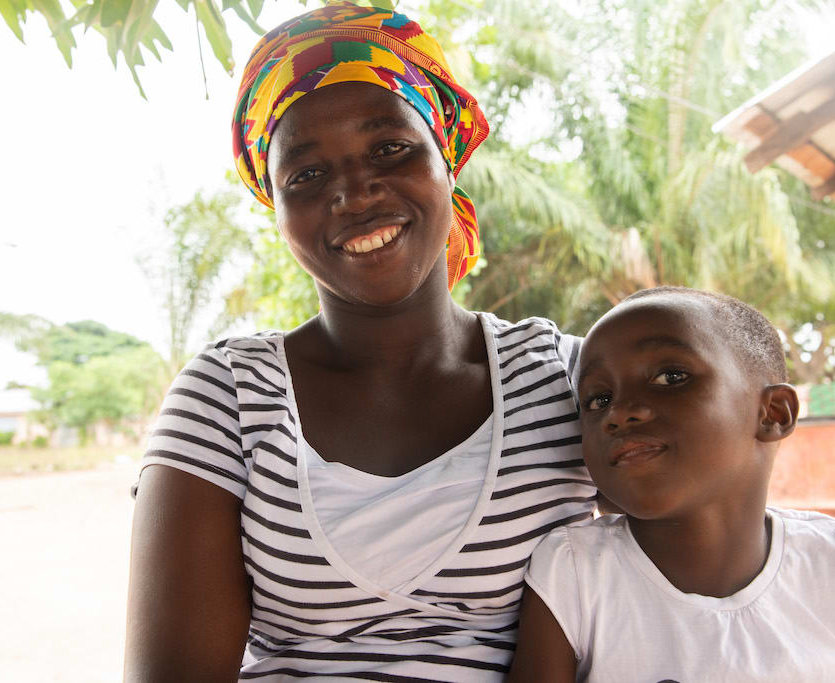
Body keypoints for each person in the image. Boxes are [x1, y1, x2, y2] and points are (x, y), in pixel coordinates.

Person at [123, 3, 597, 680]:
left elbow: (693, 583)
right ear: (277, 208)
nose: (354, 191)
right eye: (307, 174)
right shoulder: (227, 397)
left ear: (447, 160)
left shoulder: (567, 377)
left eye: (390, 148)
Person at [507, 286, 835, 683]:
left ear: (773, 414)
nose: (620, 412)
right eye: (597, 399)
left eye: (670, 377)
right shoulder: (575, 573)